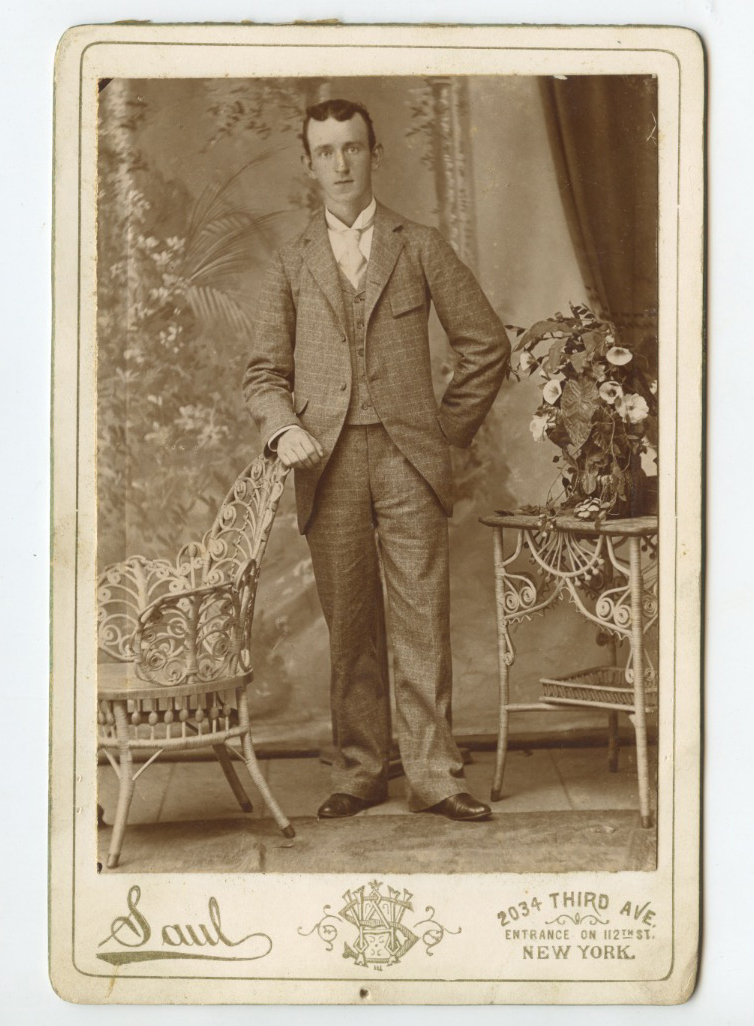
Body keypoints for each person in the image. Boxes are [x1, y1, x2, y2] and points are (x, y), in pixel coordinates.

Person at [244, 98, 510, 821]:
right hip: (325, 463)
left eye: (353, 148)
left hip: (408, 461)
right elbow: (263, 373)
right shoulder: (292, 260)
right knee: (351, 621)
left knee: (422, 618)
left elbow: (486, 344)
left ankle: (435, 775)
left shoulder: (417, 245)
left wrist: (443, 431)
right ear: (308, 164)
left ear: (374, 153)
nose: (341, 164)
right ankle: (361, 771)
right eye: (326, 151)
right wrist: (284, 429)